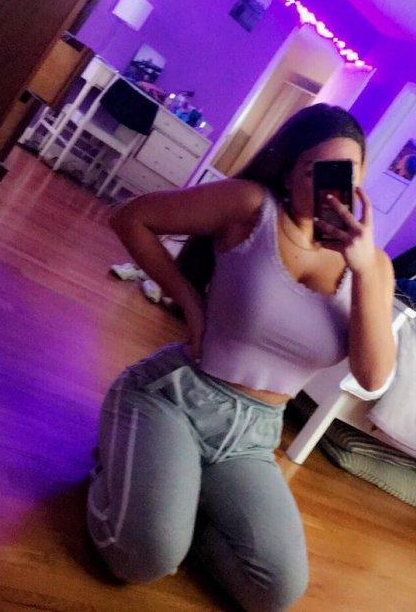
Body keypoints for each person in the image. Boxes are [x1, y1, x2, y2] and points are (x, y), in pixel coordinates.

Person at [86, 103, 396, 612]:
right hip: (174, 398)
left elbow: (373, 375)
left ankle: (175, 506)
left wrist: (361, 269)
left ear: (361, 180)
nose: (330, 191)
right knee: (142, 558)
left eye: (345, 174)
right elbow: (130, 217)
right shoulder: (251, 206)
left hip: (253, 439)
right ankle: (117, 469)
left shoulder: (374, 267)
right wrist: (190, 303)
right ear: (287, 170)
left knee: (274, 591)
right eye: (314, 172)